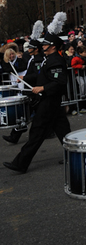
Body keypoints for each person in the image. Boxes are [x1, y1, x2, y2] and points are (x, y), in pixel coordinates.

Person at [3, 13, 71, 174]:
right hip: (50, 102)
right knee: (63, 131)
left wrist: (42, 88)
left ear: (53, 46)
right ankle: (74, 154)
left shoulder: (55, 61)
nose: (43, 46)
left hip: (49, 101)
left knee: (37, 133)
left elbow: (60, 82)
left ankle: (21, 163)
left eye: (46, 44)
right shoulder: (49, 59)